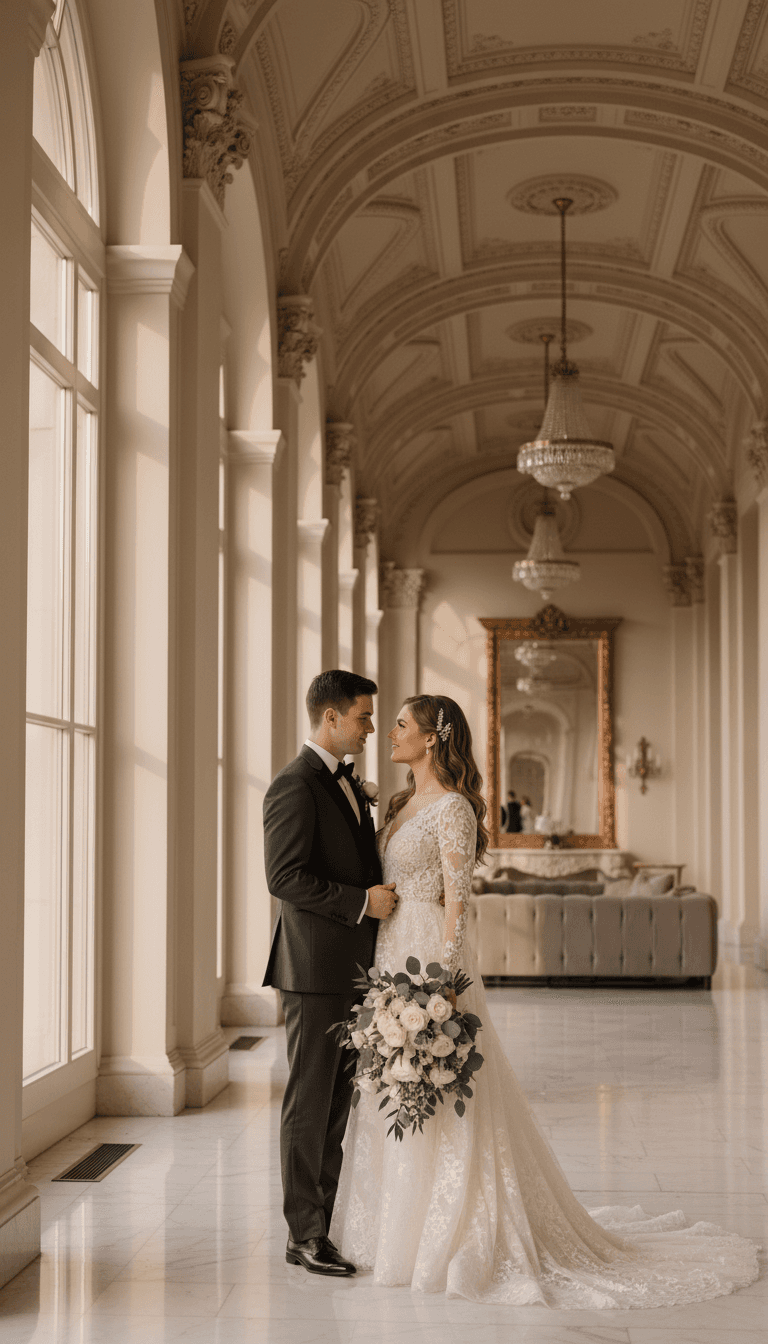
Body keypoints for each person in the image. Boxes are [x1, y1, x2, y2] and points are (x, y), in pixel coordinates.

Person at [330, 694, 759, 1306]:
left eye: (399, 724)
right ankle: (389, 1229)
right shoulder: (398, 804)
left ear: (431, 739)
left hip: (428, 961)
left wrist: (442, 990)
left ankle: (451, 1234)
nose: (389, 732)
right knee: (389, 1088)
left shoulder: (452, 808)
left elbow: (459, 901)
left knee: (443, 1094)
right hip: (390, 951)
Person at [262, 670, 399, 1278]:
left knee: (337, 1105)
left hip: (351, 969)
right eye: (365, 717)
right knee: (309, 1104)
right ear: (331, 719)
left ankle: (322, 1223)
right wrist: (361, 903)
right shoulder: (294, 785)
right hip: (314, 970)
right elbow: (284, 878)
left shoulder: (343, 783)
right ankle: (303, 1235)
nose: (372, 728)